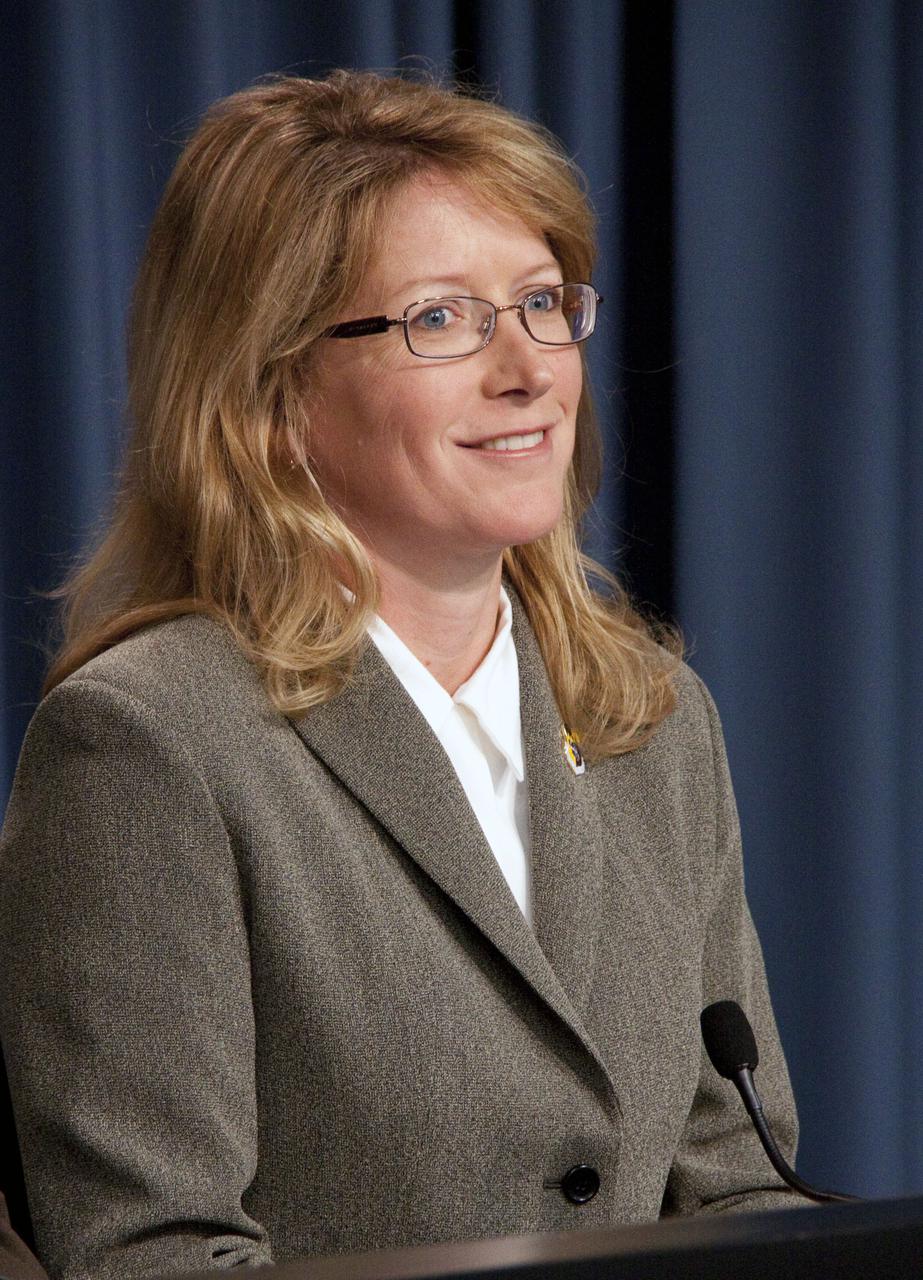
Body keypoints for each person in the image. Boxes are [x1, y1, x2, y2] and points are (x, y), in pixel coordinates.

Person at [0, 71, 798, 1279]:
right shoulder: (149, 742)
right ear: (270, 397)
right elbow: (149, 1254)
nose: (528, 368)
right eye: (441, 319)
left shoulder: (651, 719)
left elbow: (736, 1182)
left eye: (540, 303)